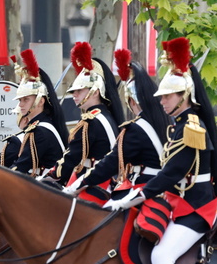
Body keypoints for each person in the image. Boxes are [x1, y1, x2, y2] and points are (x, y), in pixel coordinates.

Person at [104, 37, 217, 264]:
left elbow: (171, 174)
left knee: (161, 256)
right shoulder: (177, 126)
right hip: (180, 205)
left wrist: (132, 198)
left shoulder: (192, 127)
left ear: (183, 95)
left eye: (167, 95)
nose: (160, 100)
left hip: (196, 209)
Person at [68, 48, 169, 199]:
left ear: (131, 101)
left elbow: (110, 162)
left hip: (143, 189)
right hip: (157, 188)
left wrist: (80, 183)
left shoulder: (135, 129)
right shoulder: (162, 122)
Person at [55, 42, 124, 187]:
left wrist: (52, 175)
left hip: (92, 183)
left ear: (96, 91)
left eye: (80, 90)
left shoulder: (90, 121)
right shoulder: (106, 116)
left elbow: (72, 157)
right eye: (74, 91)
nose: (75, 94)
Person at [4, 49, 68, 177]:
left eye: (26, 99)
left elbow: (22, 165)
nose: (21, 104)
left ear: (40, 101)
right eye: (20, 100)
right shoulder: (39, 126)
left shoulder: (40, 131)